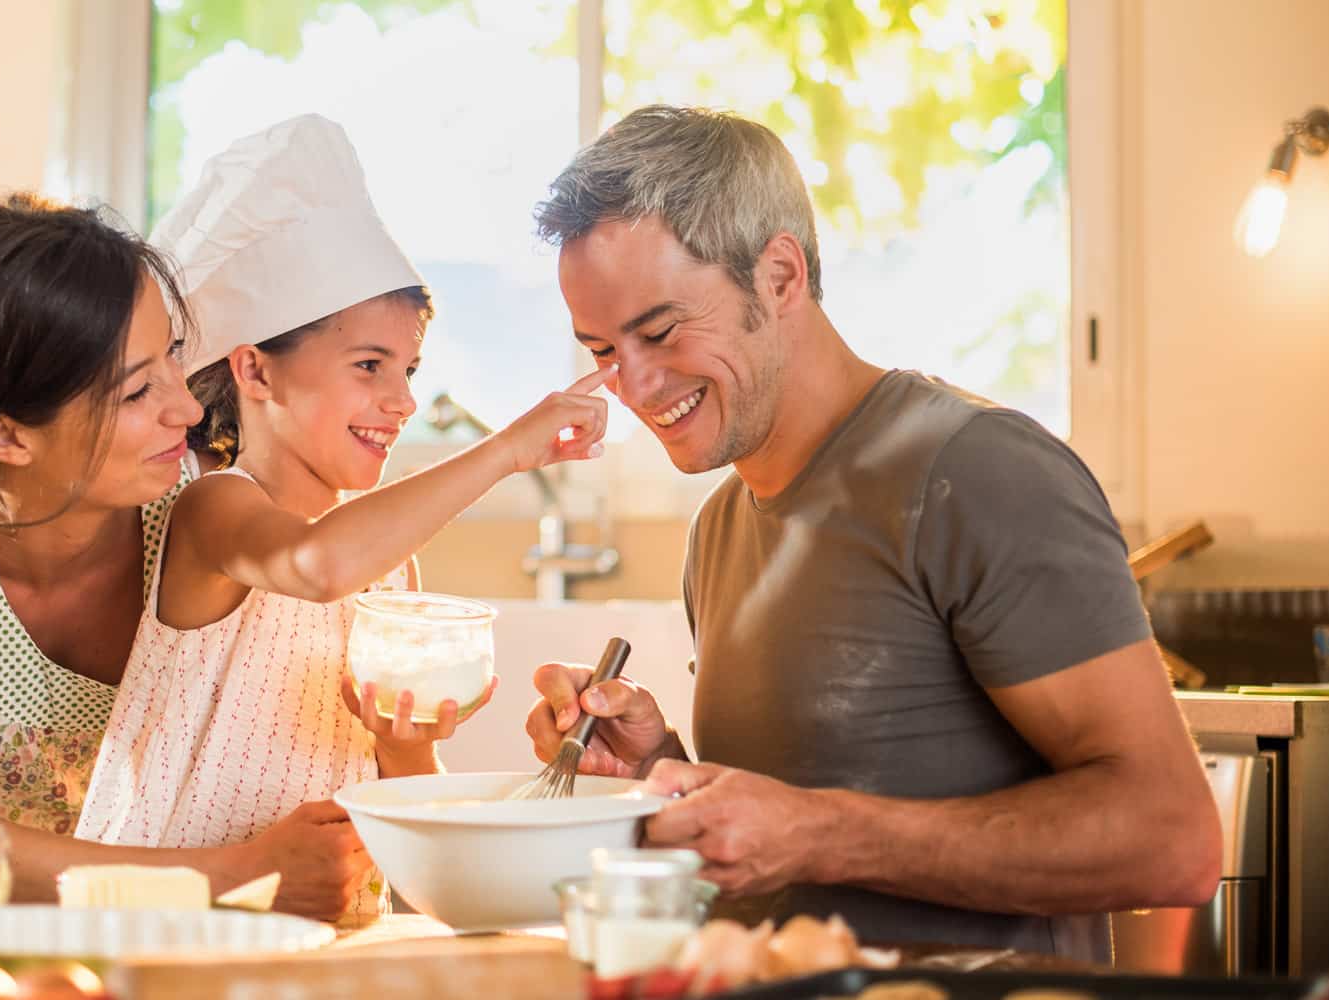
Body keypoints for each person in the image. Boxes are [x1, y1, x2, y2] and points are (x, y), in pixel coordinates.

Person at [522, 106, 1220, 961]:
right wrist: (652, 770)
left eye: (660, 331)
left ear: (779, 275)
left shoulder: (980, 471)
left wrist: (820, 832)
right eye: (600, 349)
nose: (628, 383)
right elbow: (795, 832)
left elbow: (1173, 841)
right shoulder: (722, 527)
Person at [75, 115, 610, 924]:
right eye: (368, 366)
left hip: (326, 931)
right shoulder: (215, 510)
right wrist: (507, 450)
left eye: (409, 370)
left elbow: (414, 823)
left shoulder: (386, 563)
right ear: (254, 367)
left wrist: (403, 743)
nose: (401, 401)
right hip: (172, 925)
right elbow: (316, 566)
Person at [0, 195, 370, 919]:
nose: (189, 411)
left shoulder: (205, 503)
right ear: (8, 436)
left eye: (174, 355)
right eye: (138, 390)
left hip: (181, 953)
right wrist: (233, 874)